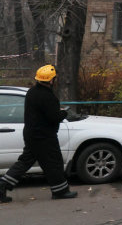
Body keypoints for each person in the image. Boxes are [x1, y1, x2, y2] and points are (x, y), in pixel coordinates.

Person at [0, 65, 78, 203]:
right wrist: (64, 112)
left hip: (32, 134)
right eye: (55, 78)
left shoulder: (32, 92)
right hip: (43, 136)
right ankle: (60, 191)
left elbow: (42, 113)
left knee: (25, 162)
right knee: (54, 162)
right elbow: (54, 117)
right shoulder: (47, 96)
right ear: (51, 80)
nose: (56, 80)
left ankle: (2, 186)